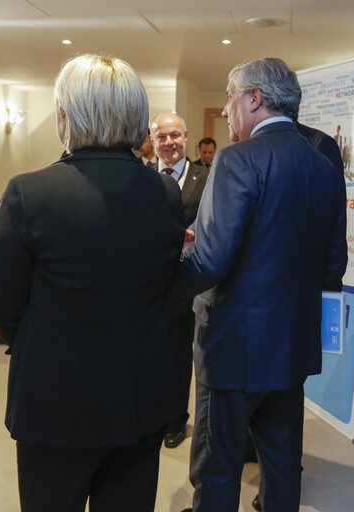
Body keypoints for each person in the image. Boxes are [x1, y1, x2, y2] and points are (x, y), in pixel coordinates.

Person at [0, 53, 185, 512]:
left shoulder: (28, 192)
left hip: (54, 401)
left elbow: (2, 305)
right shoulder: (165, 193)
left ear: (66, 115)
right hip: (142, 395)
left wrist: (46, 340)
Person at [177, 57, 347, 512]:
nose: (228, 112)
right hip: (292, 345)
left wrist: (171, 276)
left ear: (255, 98)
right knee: (282, 463)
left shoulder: (235, 159)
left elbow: (210, 260)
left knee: (217, 470)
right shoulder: (324, 166)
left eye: (231, 99)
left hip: (233, 348)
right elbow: (335, 265)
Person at [150, 112, 209, 448]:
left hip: (190, 282)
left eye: (174, 135)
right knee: (150, 354)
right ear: (153, 141)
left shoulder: (208, 176)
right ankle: (152, 414)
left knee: (179, 355)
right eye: (162, 137)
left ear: (186, 136)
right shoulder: (141, 178)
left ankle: (175, 420)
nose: (169, 143)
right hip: (149, 282)